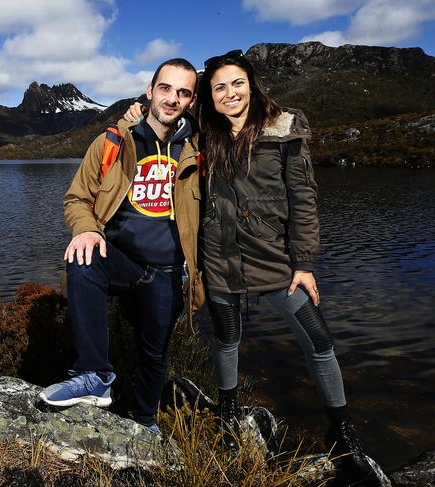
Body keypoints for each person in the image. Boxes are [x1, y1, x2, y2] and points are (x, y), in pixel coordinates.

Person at [124, 50, 380, 484]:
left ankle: (341, 431)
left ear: (252, 85)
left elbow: (303, 201)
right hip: (220, 261)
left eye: (237, 83)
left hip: (277, 262)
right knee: (226, 339)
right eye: (219, 87)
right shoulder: (202, 132)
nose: (229, 93)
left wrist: (304, 263)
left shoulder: (283, 131)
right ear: (211, 95)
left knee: (319, 340)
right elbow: (162, 113)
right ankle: (227, 414)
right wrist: (131, 110)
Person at [39, 58, 205, 433]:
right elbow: (77, 198)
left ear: (191, 101)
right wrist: (86, 229)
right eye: (165, 88)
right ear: (149, 91)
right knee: (84, 256)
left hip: (166, 272)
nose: (172, 99)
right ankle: (94, 375)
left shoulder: (197, 150)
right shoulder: (113, 142)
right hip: (121, 261)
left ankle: (144, 420)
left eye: (183, 93)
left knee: (154, 352)